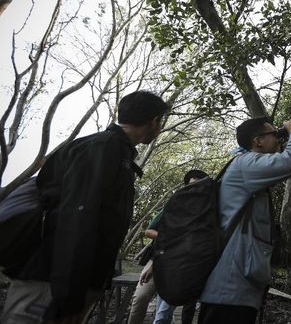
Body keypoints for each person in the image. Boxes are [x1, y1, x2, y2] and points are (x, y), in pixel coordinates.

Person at [1, 91, 168, 324]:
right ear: (154, 121)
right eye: (160, 122)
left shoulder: (118, 153)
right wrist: (69, 295)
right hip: (49, 284)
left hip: (70, 284)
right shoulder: (102, 148)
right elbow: (76, 217)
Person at [199, 117, 291, 324]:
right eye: (274, 135)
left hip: (236, 286)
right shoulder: (246, 164)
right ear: (258, 141)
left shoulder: (247, 166)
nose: (279, 140)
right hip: (230, 289)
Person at [128, 169, 209, 324]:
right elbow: (149, 231)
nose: (194, 189)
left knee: (164, 313)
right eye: (190, 186)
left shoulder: (207, 212)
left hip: (183, 265)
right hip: (159, 258)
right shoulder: (174, 205)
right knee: (141, 297)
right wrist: (172, 239)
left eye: (199, 185)